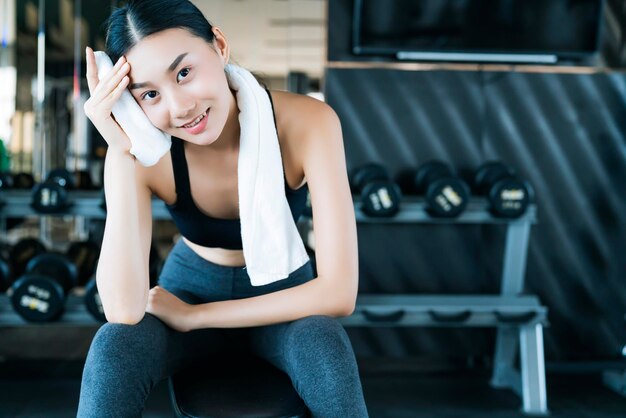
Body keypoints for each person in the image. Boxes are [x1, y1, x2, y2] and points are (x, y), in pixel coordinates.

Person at [77, 0, 368, 417]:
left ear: (219, 45)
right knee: (113, 345)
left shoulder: (310, 123)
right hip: (190, 283)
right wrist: (120, 152)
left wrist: (197, 316)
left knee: (324, 340)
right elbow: (122, 309)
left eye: (184, 72)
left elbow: (339, 293)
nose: (180, 107)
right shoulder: (142, 153)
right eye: (150, 94)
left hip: (283, 293)